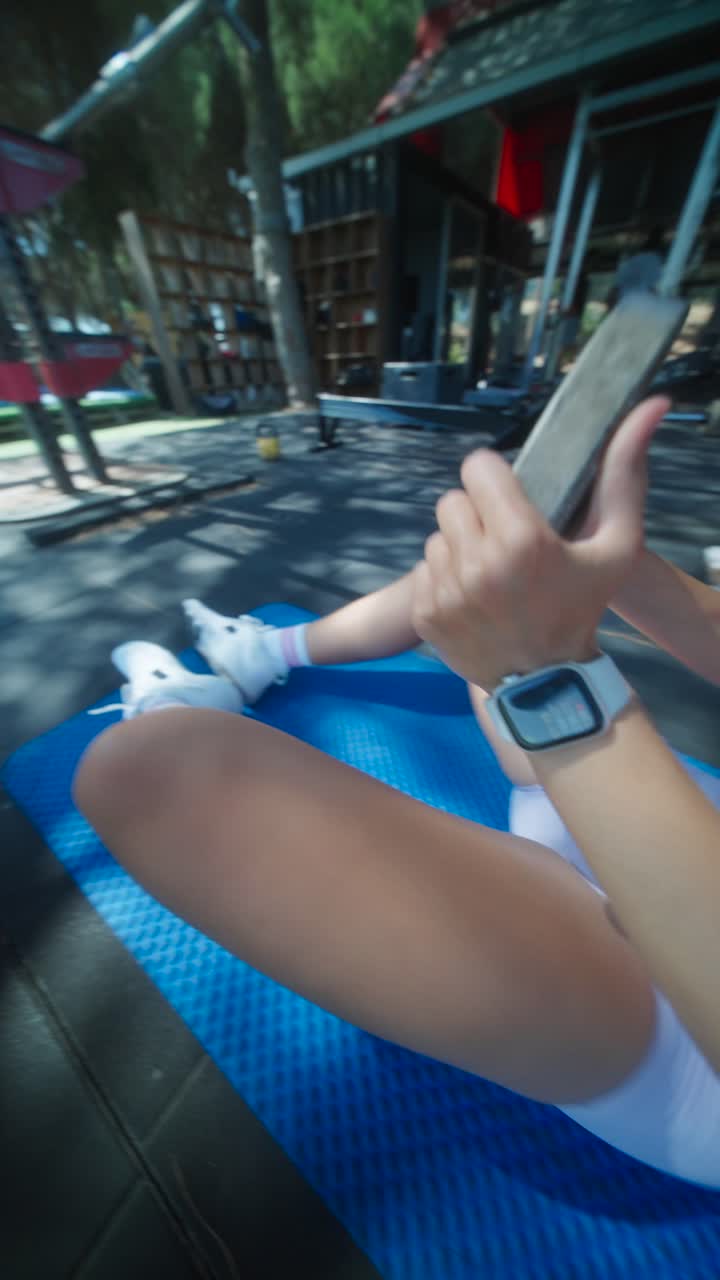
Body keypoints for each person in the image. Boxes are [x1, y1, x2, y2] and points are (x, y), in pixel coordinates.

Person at [73, 396, 720, 1189]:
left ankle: (185, 702)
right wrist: (614, 572)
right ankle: (262, 653)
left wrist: (559, 684)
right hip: (678, 819)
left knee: (146, 771)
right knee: (483, 589)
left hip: (690, 1012)